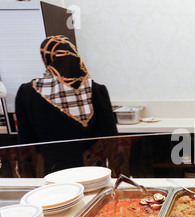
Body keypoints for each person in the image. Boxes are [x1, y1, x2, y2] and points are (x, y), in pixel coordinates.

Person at [15, 35, 118, 174]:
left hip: (52, 169)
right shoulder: (95, 90)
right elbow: (111, 138)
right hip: (92, 168)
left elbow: (26, 143)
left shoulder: (27, 92)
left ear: (47, 58)